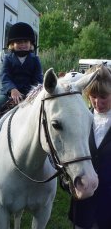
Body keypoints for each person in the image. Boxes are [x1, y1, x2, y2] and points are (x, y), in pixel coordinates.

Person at [0, 22, 43, 142]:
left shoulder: (35, 60)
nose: (22, 45)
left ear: (31, 44)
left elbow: (38, 79)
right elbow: (4, 76)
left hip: (29, 94)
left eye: (25, 42)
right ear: (12, 45)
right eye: (19, 42)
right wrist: (12, 90)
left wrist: (32, 93)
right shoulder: (8, 59)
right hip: (9, 93)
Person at [68, 64, 111, 229]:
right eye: (93, 96)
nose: (97, 102)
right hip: (83, 206)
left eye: (103, 96)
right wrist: (69, 181)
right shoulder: (79, 120)